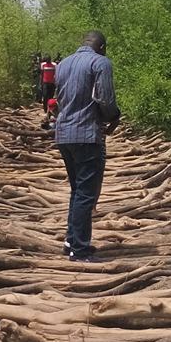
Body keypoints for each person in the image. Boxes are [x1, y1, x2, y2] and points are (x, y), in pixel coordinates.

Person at [54, 30, 120, 262]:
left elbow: (58, 98)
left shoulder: (62, 64)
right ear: (102, 47)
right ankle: (80, 249)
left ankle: (71, 240)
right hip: (86, 133)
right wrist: (114, 117)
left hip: (63, 134)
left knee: (77, 190)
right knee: (86, 194)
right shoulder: (100, 62)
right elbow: (106, 99)